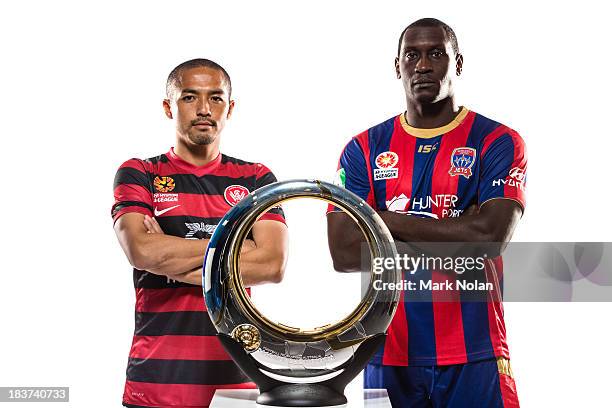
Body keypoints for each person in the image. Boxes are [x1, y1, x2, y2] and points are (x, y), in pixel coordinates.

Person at [327, 19, 524, 407]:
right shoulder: (362, 149)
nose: (423, 65)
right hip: (387, 352)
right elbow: (346, 254)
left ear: (458, 63)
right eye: (412, 55)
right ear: (397, 65)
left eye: (436, 53)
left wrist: (381, 219)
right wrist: (456, 229)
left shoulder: (497, 140)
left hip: (475, 350)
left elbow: (489, 239)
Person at [112, 59, 289, 408]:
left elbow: (272, 264)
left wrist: (172, 258)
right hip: (156, 384)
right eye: (190, 97)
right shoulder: (140, 173)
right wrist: (237, 250)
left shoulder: (256, 179)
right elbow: (143, 252)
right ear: (169, 106)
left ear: (230, 107)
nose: (205, 109)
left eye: (216, 98)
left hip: (236, 383)